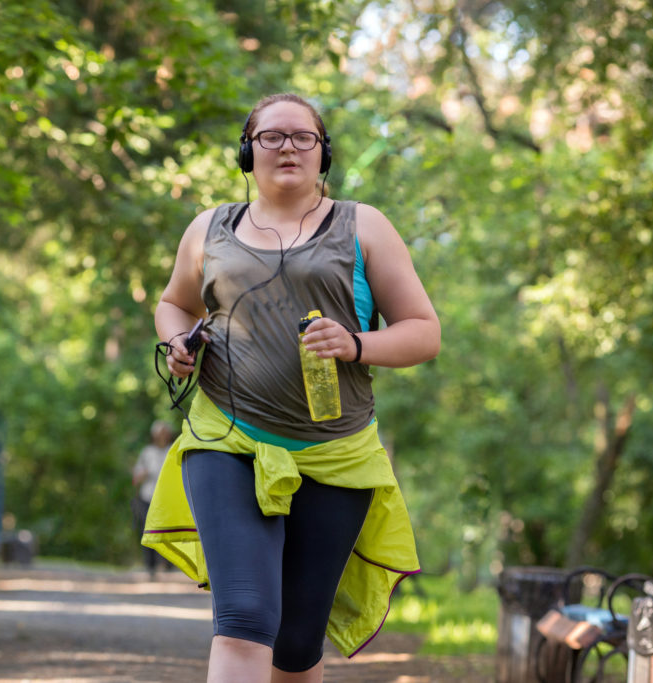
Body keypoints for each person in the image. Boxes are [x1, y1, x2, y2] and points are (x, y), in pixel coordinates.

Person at [143, 93, 440, 683]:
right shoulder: (210, 228)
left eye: (302, 137)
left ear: (322, 152)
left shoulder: (365, 226)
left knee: (298, 642)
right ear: (246, 153)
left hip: (337, 453)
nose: (287, 147)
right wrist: (178, 344)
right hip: (227, 440)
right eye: (270, 137)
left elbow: (424, 333)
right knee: (246, 616)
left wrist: (356, 343)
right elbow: (174, 303)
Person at [132, 420, 174, 578]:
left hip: (167, 498)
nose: (162, 436)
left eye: (165, 432)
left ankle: (167, 564)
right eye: (159, 433)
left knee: (167, 531)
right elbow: (136, 477)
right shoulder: (147, 452)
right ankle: (150, 566)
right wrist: (141, 474)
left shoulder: (172, 450)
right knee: (148, 531)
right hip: (148, 496)